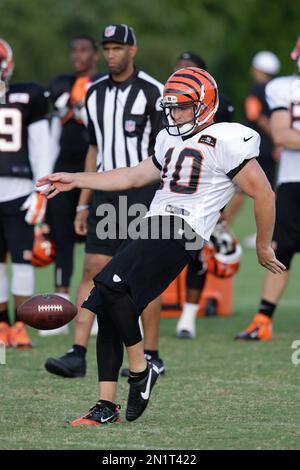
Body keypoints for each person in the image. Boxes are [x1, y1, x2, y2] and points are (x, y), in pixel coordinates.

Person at [38, 66, 285, 424]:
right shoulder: (169, 139)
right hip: (153, 224)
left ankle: (141, 370)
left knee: (108, 284)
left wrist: (263, 245)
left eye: (182, 106)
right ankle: (106, 405)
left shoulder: (228, 138)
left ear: (204, 105)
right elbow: (132, 175)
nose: (174, 114)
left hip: (184, 228)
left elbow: (264, 194)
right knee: (105, 304)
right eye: (170, 106)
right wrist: (76, 179)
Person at [44, 24, 165, 378]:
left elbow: (164, 152)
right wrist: (84, 200)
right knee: (93, 268)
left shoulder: (154, 92)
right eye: (107, 48)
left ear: (133, 50)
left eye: (117, 48)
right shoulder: (94, 93)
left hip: (145, 193)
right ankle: (77, 352)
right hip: (106, 193)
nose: (111, 54)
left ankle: (152, 354)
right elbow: (93, 150)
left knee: (146, 276)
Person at [236, 37, 300, 340]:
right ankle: (263, 320)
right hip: (292, 181)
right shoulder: (283, 88)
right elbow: (282, 134)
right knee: (282, 250)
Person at [40, 34, 101, 337]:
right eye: (74, 50)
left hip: (98, 171)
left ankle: (96, 305)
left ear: (96, 55)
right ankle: (58, 309)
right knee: (62, 238)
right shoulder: (60, 82)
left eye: (84, 50)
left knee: (99, 243)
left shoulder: (104, 83)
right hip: (64, 170)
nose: (78, 56)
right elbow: (60, 111)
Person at [173, 52, 236, 339]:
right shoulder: (168, 107)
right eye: (179, 70)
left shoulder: (221, 111)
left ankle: (188, 317)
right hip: (168, 189)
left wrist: (220, 205)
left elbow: (231, 166)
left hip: (203, 195)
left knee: (197, 254)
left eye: (190, 70)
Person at [0, 38, 50, 348]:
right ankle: (4, 325)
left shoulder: (28, 96)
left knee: (21, 262)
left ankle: (19, 325)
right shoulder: (26, 94)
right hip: (17, 188)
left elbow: (40, 145)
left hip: (19, 190)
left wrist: (40, 190)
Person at [243, 50, 281, 249]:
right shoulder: (277, 89)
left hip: (259, 147)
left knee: (258, 193)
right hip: (271, 148)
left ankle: (267, 234)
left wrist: (276, 137)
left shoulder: (257, 89)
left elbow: (255, 114)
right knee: (269, 191)